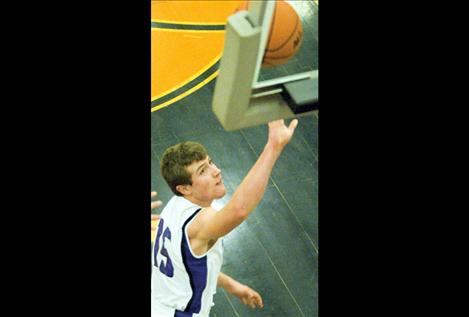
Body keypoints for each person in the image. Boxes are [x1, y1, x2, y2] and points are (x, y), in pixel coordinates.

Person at [152, 119, 298, 317]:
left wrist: (232, 285)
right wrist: (274, 146)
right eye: (203, 171)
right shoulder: (198, 223)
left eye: (210, 162)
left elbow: (186, 270)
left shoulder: (173, 206)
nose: (216, 171)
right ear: (185, 188)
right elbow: (238, 210)